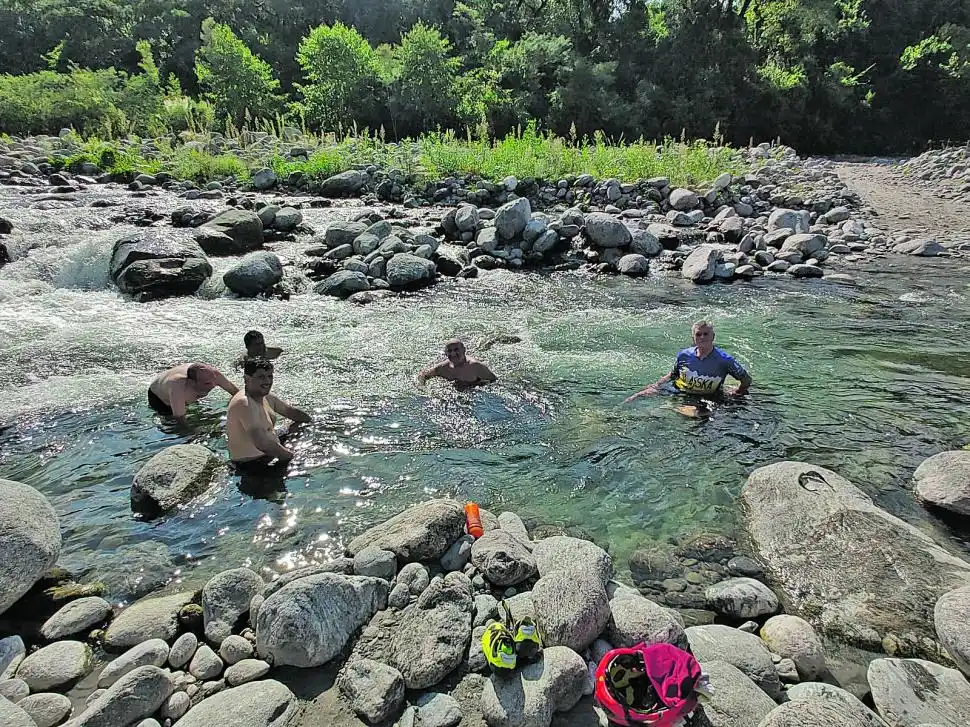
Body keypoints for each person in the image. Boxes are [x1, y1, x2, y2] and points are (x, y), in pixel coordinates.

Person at [624, 320, 751, 404]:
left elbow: (746, 380)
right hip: (679, 391)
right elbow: (673, 374)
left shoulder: (725, 360)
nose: (702, 337)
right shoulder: (684, 355)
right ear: (693, 338)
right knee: (638, 396)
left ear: (713, 336)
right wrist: (656, 385)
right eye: (698, 334)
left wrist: (738, 392)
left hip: (707, 398)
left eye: (706, 334)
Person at [226, 358, 312, 481]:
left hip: (269, 453)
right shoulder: (244, 404)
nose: (267, 381)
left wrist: (314, 422)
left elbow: (292, 413)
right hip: (253, 466)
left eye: (270, 376)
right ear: (246, 379)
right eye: (261, 377)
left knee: (301, 427)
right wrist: (293, 457)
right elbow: (262, 443)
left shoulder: (265, 396)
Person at [148, 363, 238, 422]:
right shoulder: (177, 386)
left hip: (189, 384)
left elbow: (236, 393)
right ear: (192, 382)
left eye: (214, 380)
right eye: (207, 383)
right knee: (170, 422)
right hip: (159, 398)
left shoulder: (213, 375)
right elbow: (179, 419)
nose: (213, 385)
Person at [417, 339, 497, 390]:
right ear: (446, 353)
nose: (453, 353)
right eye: (449, 351)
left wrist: (480, 385)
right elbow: (423, 375)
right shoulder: (442, 368)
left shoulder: (475, 366)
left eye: (456, 349)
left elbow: (494, 380)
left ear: (464, 350)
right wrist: (422, 388)